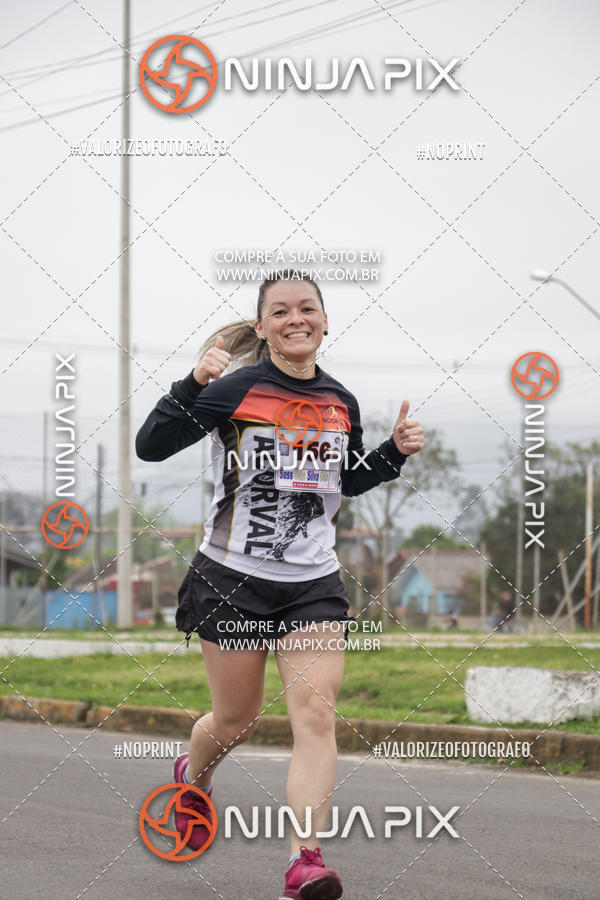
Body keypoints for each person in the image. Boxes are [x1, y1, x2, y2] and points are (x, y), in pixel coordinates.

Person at [135, 270, 425, 899]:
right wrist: (193, 383)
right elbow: (151, 446)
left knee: (316, 715)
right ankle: (192, 778)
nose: (297, 319)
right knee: (235, 720)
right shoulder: (233, 390)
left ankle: (304, 861)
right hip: (231, 580)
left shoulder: (339, 401)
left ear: (325, 321)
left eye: (308, 308)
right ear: (262, 327)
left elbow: (346, 480)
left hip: (312, 585)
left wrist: (393, 453)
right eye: (282, 311)